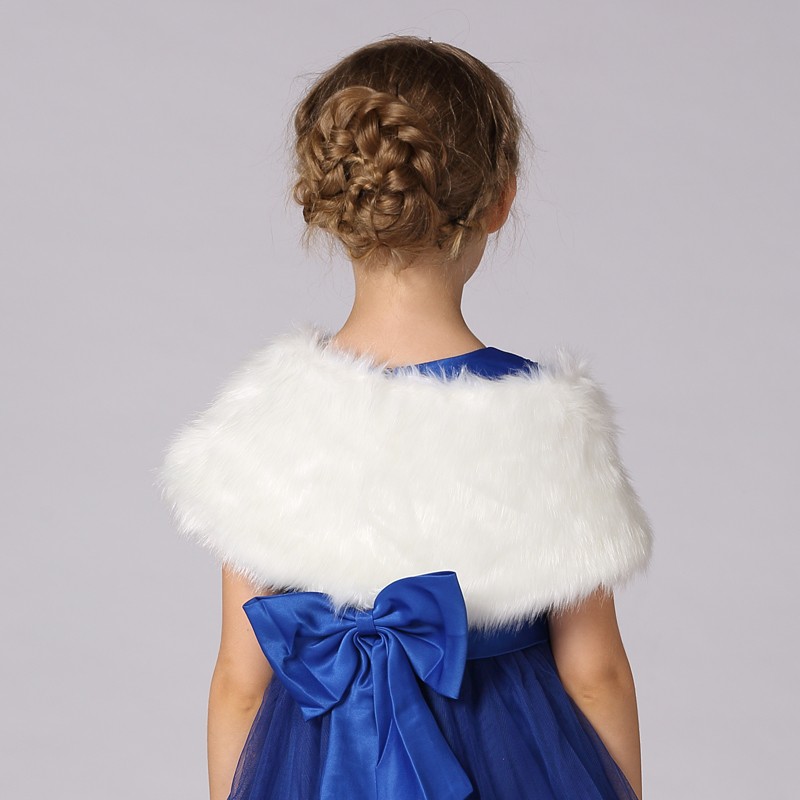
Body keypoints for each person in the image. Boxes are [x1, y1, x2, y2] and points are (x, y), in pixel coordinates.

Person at [156, 35, 654, 800]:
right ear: (499, 199)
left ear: (333, 201)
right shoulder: (546, 419)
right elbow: (595, 674)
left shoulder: (266, 416)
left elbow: (240, 682)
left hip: (318, 766)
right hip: (511, 760)